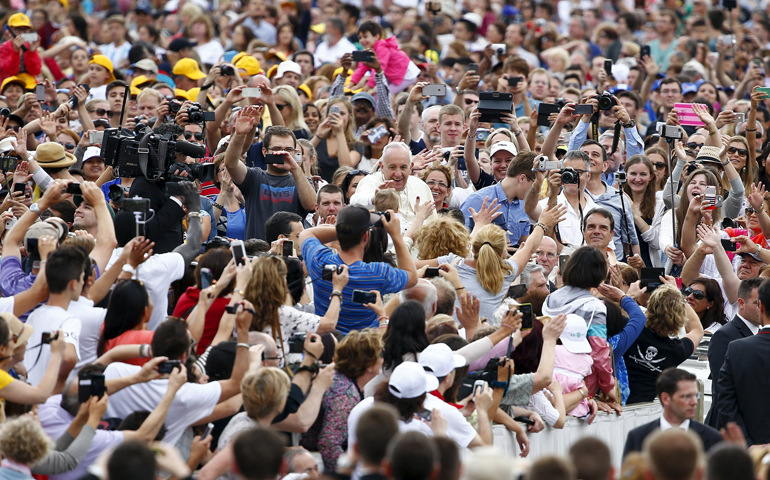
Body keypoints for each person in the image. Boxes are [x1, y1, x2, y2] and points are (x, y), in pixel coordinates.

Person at [300, 205, 417, 333]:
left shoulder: (319, 261)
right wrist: (396, 235)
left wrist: (344, 230)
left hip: (326, 344)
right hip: (364, 347)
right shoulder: (378, 272)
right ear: (366, 236)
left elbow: (306, 233)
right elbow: (412, 276)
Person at [224, 106, 316, 240]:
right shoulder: (254, 177)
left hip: (290, 255)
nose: (282, 153)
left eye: (288, 150)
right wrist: (240, 134)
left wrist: (295, 168)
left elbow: (312, 206)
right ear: (265, 152)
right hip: (257, 253)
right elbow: (231, 163)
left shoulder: (301, 181)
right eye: (277, 149)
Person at [302, 329, 383, 470]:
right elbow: (328, 443)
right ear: (369, 365)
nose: (384, 359)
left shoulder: (341, 379)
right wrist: (350, 473)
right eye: (381, 355)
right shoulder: (346, 395)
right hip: (315, 462)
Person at [542, 247, 615, 399]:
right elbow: (599, 352)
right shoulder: (595, 307)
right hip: (580, 386)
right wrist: (609, 387)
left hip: (547, 378)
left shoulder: (551, 298)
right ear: (600, 273)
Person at [624, 284, 704, 404]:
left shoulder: (629, 331)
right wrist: (678, 297)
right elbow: (697, 330)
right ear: (680, 316)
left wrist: (628, 296)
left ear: (649, 306)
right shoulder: (676, 351)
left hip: (614, 404)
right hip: (642, 412)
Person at [716, 278, 770, 444]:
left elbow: (725, 402)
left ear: (760, 306)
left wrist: (748, 446)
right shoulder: (734, 346)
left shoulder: (737, 350)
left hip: (749, 452)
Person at [623, 367, 722, 457]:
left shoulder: (712, 438)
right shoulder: (638, 437)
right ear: (665, 398)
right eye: (686, 396)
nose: (694, 402)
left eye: (696, 395)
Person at [705, 278, 763, 427]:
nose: (764, 308)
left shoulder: (761, 334)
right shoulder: (724, 336)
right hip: (729, 426)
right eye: (757, 303)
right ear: (741, 303)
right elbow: (723, 391)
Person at [460, 151, 537, 246]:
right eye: (534, 185)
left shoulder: (524, 205)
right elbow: (460, 243)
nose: (535, 191)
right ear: (522, 178)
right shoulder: (478, 200)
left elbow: (523, 240)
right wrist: (495, 249)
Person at [350, 142, 435, 228]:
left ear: (411, 167)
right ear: (382, 167)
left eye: (403, 167)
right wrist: (375, 198)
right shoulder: (371, 181)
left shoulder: (421, 186)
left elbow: (433, 226)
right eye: (392, 167)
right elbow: (355, 201)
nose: (398, 174)